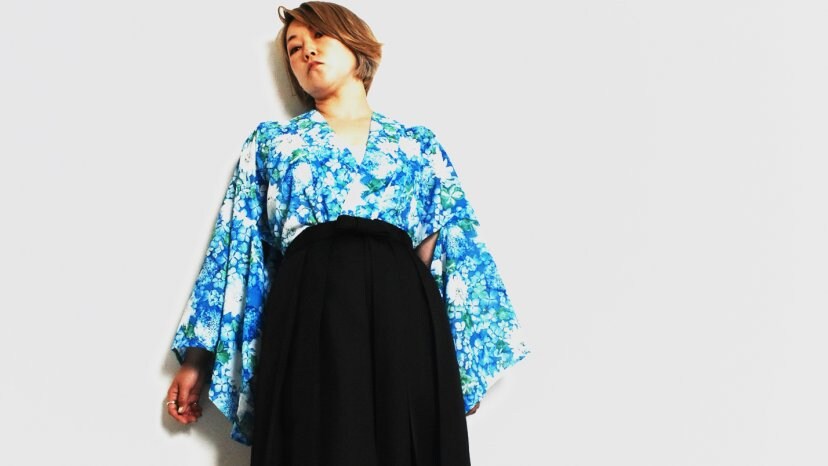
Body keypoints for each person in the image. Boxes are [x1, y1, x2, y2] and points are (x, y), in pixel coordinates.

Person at [164, 2, 531, 464]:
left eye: (319, 37)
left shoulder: (416, 144)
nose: (306, 52)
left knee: (404, 439)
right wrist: (197, 361)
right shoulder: (273, 143)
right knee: (313, 437)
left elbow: (449, 249)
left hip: (403, 310)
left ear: (356, 45)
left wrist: (463, 368)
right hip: (307, 306)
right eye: (294, 48)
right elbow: (236, 247)